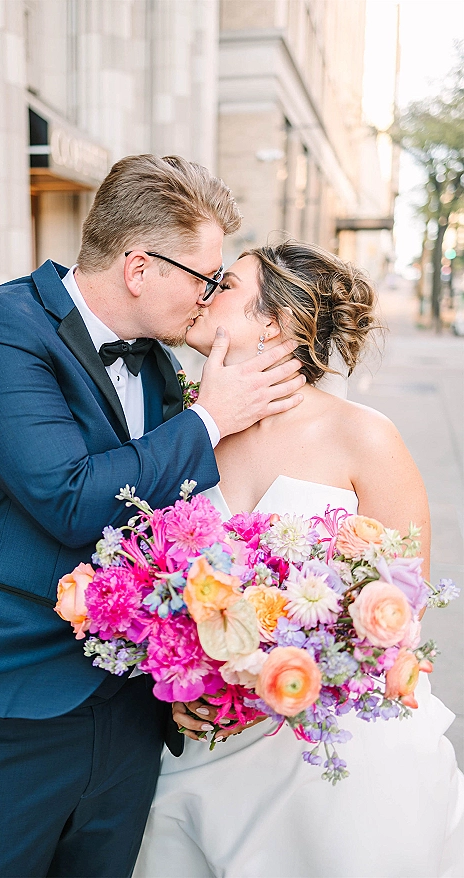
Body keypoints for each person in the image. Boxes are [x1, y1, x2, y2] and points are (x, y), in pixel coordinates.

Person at [0, 156, 306, 878]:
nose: (207, 299)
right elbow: (72, 498)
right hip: (6, 710)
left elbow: (177, 522)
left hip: (131, 714)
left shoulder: (161, 364)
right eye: (204, 279)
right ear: (140, 268)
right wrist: (209, 418)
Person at [134, 240, 464, 878]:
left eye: (225, 284)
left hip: (336, 756)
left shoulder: (363, 435)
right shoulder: (183, 433)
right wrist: (185, 684)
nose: (205, 289)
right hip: (206, 745)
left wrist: (293, 671)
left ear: (275, 325)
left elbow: (404, 609)